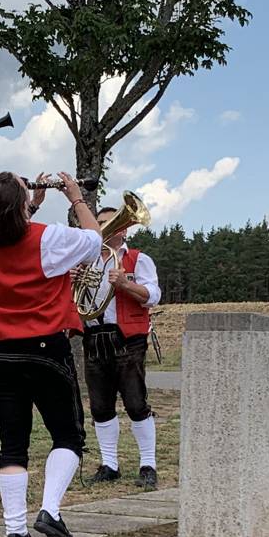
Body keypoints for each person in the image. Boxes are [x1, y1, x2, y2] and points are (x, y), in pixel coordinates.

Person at [0, 171, 104, 537]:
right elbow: (95, 240)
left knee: (12, 443)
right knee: (67, 435)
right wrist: (76, 198)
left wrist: (30, 202)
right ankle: (49, 509)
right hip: (44, 348)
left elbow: (10, 227)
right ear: (21, 203)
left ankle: (15, 531)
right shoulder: (46, 237)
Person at [81, 204, 163, 490]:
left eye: (108, 222)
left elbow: (153, 296)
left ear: (123, 228)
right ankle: (109, 464)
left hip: (127, 338)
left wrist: (125, 285)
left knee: (136, 403)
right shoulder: (86, 260)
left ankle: (148, 464)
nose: (101, 228)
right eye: (99, 223)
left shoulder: (138, 259)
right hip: (93, 336)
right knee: (100, 406)